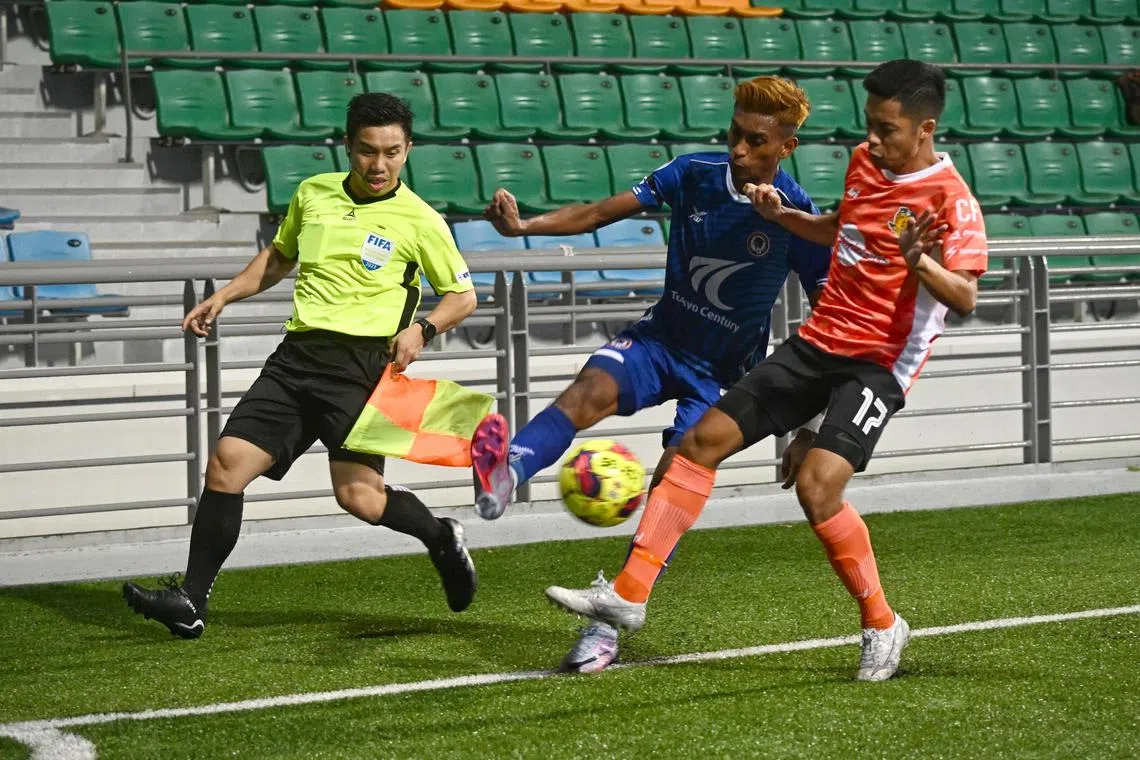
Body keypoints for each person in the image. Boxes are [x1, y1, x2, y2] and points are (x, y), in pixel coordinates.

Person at [545, 59, 988, 682]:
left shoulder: (952, 201)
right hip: (818, 340)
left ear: (925, 129)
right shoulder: (865, 162)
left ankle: (883, 624)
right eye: (870, 124)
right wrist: (782, 217)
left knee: (817, 486)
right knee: (701, 444)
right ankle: (632, 593)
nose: (874, 138)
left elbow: (964, 297)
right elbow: (836, 229)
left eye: (887, 129)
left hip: (879, 363)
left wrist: (920, 261)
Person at [471, 76, 834, 672]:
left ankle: (608, 623)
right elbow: (599, 212)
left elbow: (830, 320)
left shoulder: (798, 218)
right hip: (659, 339)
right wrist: (524, 229)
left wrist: (810, 423)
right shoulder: (692, 172)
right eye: (735, 135)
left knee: (672, 485)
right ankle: (509, 470)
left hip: (721, 377)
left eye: (756, 141)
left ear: (786, 148)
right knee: (588, 391)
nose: (739, 150)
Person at [123, 93, 480, 639]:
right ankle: (191, 600)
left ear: (408, 150)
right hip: (296, 358)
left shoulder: (422, 220)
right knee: (227, 463)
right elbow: (279, 257)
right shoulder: (312, 195)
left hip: (362, 368)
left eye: (390, 152)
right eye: (366, 151)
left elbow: (461, 296)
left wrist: (422, 328)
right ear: (347, 146)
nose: (378, 165)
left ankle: (440, 536)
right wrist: (223, 296)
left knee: (358, 498)